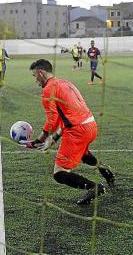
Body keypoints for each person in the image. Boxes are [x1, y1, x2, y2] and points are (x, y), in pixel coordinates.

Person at [24, 59, 115, 205]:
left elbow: (52, 120)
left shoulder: (48, 90)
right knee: (84, 155)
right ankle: (105, 170)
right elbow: (67, 116)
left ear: (41, 73)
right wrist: (54, 138)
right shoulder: (66, 83)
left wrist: (38, 141)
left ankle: (94, 188)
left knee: (59, 173)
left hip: (77, 131)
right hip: (91, 125)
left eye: (35, 76)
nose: (36, 80)